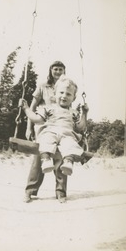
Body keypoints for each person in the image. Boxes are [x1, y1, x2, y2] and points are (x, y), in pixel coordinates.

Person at [23, 61, 89, 203]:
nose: (58, 72)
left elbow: (79, 125)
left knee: (62, 159)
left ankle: (60, 192)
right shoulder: (43, 86)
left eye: (61, 69)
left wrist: (84, 113)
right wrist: (28, 122)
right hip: (46, 127)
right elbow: (34, 110)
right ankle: (30, 190)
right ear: (51, 70)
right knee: (39, 158)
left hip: (65, 128)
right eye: (55, 69)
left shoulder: (68, 85)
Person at [21, 76, 86, 176]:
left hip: (67, 135)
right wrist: (26, 109)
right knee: (45, 140)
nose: (64, 96)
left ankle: (68, 162)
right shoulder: (48, 108)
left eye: (68, 94)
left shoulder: (74, 113)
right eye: (61, 93)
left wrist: (85, 113)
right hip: (50, 132)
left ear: (73, 98)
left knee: (71, 144)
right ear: (55, 94)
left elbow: (80, 127)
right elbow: (37, 119)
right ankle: (46, 160)